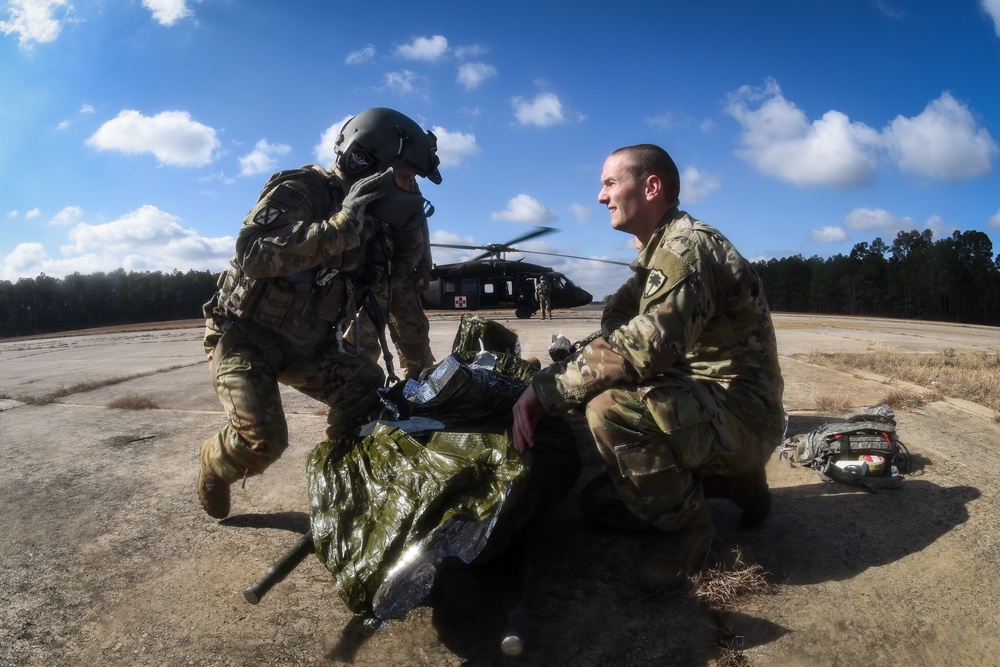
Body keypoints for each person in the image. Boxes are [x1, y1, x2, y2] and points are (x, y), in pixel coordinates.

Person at [512, 144, 785, 589]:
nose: (601, 197)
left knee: (608, 407)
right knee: (600, 504)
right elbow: (619, 324)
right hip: (714, 404)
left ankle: (690, 531)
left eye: (610, 183)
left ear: (651, 186)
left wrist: (543, 390)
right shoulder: (657, 253)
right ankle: (736, 484)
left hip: (744, 415)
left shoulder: (684, 249)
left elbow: (646, 346)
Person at [198, 107, 442, 520]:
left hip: (309, 345)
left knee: (368, 390)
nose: (410, 186)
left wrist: (406, 240)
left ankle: (344, 476)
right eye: (405, 174)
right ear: (369, 161)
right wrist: (342, 227)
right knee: (264, 442)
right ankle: (214, 463)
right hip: (245, 337)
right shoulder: (305, 190)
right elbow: (255, 254)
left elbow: (391, 287)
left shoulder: (376, 222)